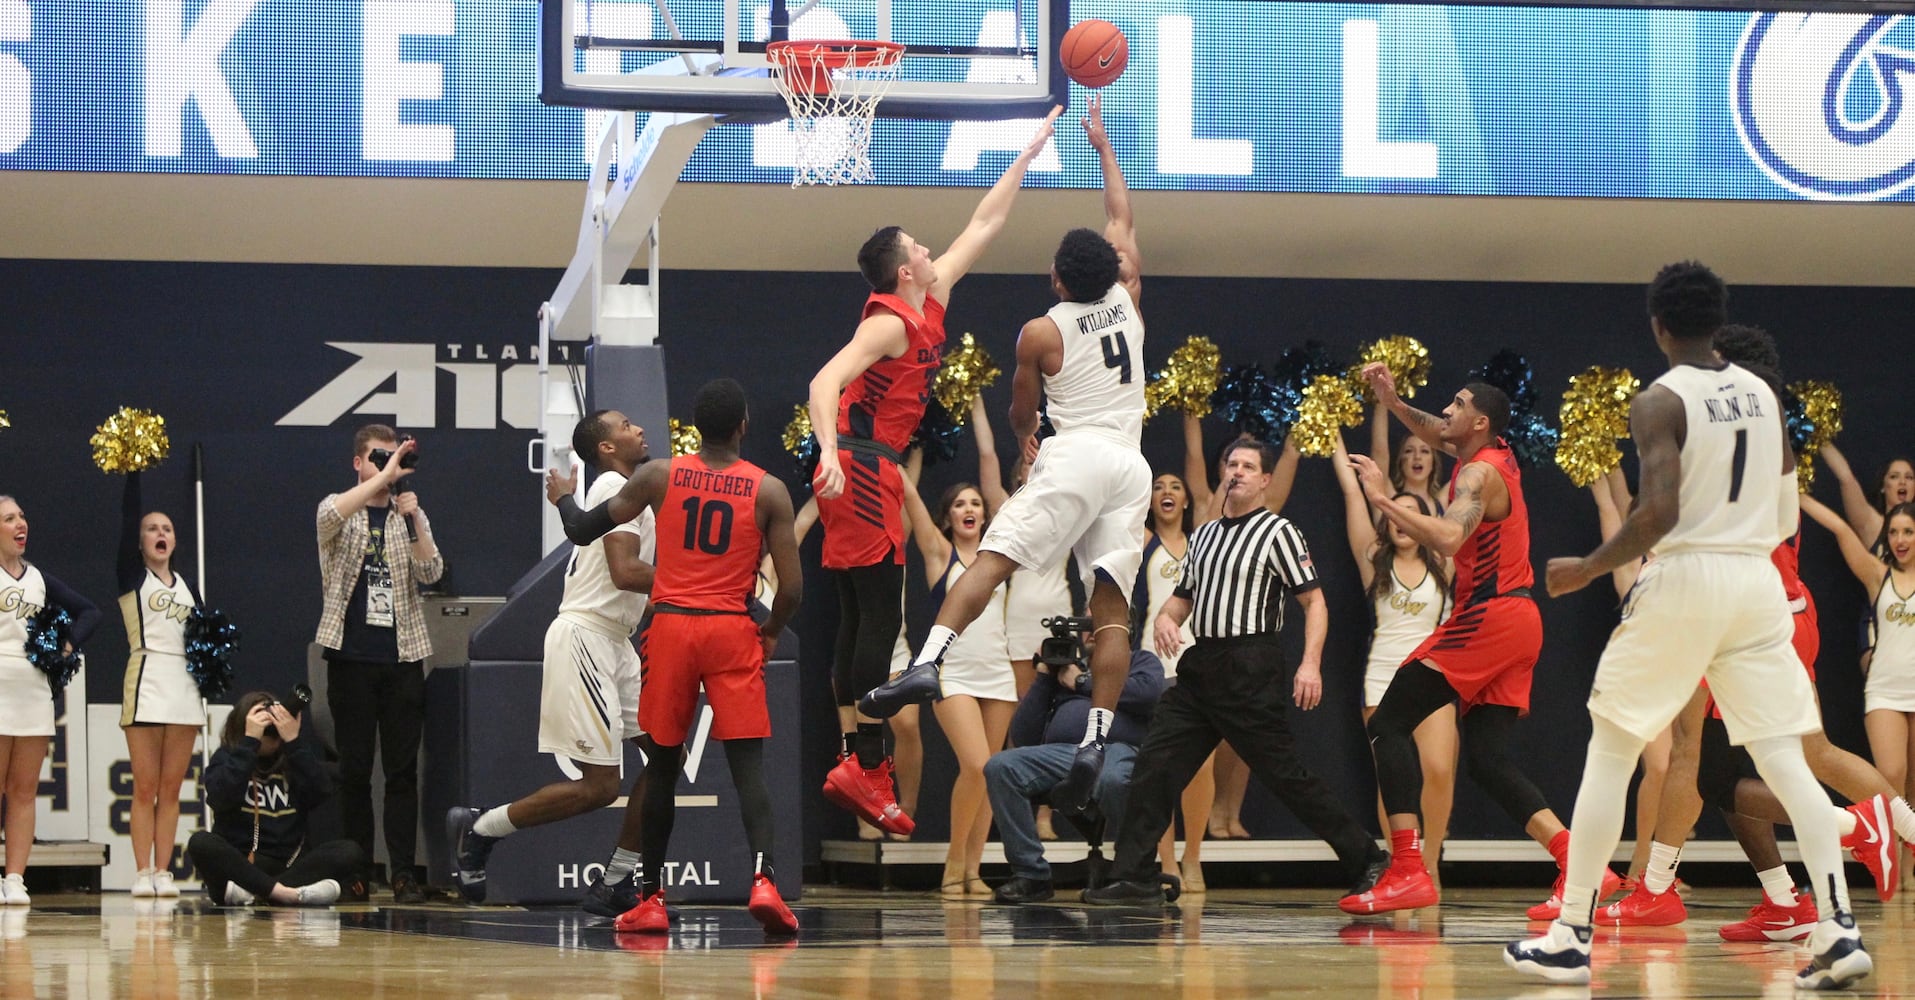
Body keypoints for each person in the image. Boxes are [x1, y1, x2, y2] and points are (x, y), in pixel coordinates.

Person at [1506, 262, 1870, 991]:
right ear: (1717, 318)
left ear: (1658, 325)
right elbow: (1784, 515)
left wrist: (1585, 567)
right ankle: (1836, 930)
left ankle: (1570, 933)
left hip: (1684, 576)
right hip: (1755, 579)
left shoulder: (1658, 400)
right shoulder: (1765, 398)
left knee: (1611, 748)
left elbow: (1657, 514)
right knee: (1783, 758)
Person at [864, 98, 1149, 819]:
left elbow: (1024, 411)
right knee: (1112, 614)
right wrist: (1103, 148)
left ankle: (925, 664)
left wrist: (1028, 440)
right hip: (1130, 465)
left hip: (1077, 454)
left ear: (1057, 279)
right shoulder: (1129, 295)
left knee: (992, 560)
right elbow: (1122, 220)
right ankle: (1094, 737)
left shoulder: (1040, 331)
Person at [1597, 324, 1913, 937]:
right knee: (1725, 768)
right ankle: (1786, 894)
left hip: (1744, 609)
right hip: (1773, 606)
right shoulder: (1761, 433)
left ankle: (1663, 887)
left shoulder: (1737, 435)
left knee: (1715, 753)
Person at [808, 108, 1061, 837]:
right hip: (856, 464)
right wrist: (827, 451)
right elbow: (825, 383)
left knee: (863, 614)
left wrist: (1028, 149)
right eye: (918, 246)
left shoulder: (929, 299)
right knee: (879, 615)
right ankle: (864, 763)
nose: (929, 248)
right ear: (902, 270)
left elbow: (983, 224)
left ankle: (862, 762)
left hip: (872, 467)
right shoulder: (887, 320)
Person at [1340, 368, 1609, 918]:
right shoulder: (1489, 452)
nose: (1446, 411)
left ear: (1479, 421)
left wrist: (1383, 500)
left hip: (1490, 616)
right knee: (1487, 760)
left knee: (1387, 722)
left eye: (1456, 404)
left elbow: (1446, 535)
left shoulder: (1478, 476)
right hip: (1521, 619)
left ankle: (1409, 869)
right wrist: (1391, 401)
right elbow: (1435, 428)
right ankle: (1583, 869)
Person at [1084, 439, 1388, 903]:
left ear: (1266, 480)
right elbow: (1183, 596)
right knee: (1155, 764)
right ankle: (1135, 872)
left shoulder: (1278, 532)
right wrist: (1167, 617)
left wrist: (1310, 664)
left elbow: (1315, 601)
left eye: (1248, 466)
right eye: (1231, 464)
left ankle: (1368, 858)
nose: (1237, 472)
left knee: (1284, 774)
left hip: (1250, 664)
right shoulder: (1203, 534)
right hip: (1201, 665)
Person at [551, 378, 804, 935]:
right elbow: (791, 589)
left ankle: (649, 900)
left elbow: (580, 529)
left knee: (662, 765)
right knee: (747, 767)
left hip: (670, 629)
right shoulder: (769, 491)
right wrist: (774, 630)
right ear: (742, 426)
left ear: (695, 426)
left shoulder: (658, 474)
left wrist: (563, 495)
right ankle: (764, 881)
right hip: (731, 630)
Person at [448, 410, 658, 914]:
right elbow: (627, 572)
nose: (639, 429)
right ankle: (481, 828)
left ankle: (616, 881)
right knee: (600, 786)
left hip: (616, 640)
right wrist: (701, 581)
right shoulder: (611, 481)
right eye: (627, 425)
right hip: (586, 635)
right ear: (606, 448)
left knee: (666, 758)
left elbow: (627, 577)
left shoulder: (628, 490)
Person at [314, 425, 443, 904]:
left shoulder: (404, 514)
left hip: (403, 658)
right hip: (350, 658)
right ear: (358, 461)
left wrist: (419, 525)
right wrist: (383, 477)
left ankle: (404, 872)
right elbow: (328, 514)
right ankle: (357, 872)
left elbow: (432, 572)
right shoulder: (341, 511)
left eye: (394, 460)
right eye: (378, 458)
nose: (389, 468)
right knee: (353, 771)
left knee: (402, 772)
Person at [1327, 435, 1455, 879]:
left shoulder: (1445, 559)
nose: (1402, 522)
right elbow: (1351, 492)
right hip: (1382, 679)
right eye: (1394, 513)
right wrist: (1333, 434)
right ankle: (1405, 866)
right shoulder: (1373, 557)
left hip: (1434, 677)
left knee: (1439, 769)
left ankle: (1432, 860)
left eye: (1413, 513)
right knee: (1395, 779)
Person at [897, 445, 1014, 898]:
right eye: (960, 504)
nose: (970, 508)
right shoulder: (938, 553)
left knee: (994, 774)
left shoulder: (1001, 559)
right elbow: (912, 504)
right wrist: (891, 459)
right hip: (953, 673)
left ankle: (972, 867)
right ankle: (952, 860)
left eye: (976, 503)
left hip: (999, 674)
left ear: (985, 516)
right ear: (948, 518)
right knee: (977, 765)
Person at [985, 630, 1164, 904]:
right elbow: (1023, 735)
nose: (1090, 631)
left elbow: (1147, 696)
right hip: (1063, 753)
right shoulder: (1065, 667)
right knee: (1001, 766)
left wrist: (1082, 682)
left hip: (1114, 748)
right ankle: (1031, 875)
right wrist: (1045, 677)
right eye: (1085, 624)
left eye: (1097, 622)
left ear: (1124, 628)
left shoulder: (1140, 660)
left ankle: (1135, 874)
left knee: (1114, 780)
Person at [0, 494, 102, 907]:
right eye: (9, 518)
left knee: (24, 791)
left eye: (22, 516)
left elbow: (90, 612)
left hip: (34, 689)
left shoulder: (39, 579)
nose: (20, 524)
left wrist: (65, 646)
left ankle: (14, 879)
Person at [115, 472, 207, 899]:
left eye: (167, 528)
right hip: (148, 678)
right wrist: (134, 471)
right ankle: (141, 871)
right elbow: (127, 515)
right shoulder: (133, 577)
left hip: (184, 685)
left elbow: (209, 638)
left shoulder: (189, 587)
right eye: (151, 528)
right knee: (145, 786)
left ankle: (164, 870)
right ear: (139, 542)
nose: (160, 533)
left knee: (172, 789)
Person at [189, 691, 369, 907]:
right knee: (200, 842)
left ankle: (266, 894)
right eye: (267, 729)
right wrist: (249, 743)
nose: (273, 735)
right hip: (239, 870)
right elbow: (220, 798)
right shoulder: (228, 757)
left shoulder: (293, 758)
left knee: (350, 851)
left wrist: (293, 741)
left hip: (289, 866)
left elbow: (322, 790)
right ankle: (285, 894)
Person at [1581, 468, 1673, 888]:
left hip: (1679, 676)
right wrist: (1597, 455)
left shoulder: (1684, 565)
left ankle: (1651, 862)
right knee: (1640, 768)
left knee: (1668, 770)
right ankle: (1623, 864)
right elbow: (1608, 505)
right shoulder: (1629, 562)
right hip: (1636, 677)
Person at [1134, 470, 1214, 892]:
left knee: (1202, 766)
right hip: (1154, 664)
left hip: (1199, 664)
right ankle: (1165, 860)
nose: (1166, 492)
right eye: (1158, 487)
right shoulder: (1144, 542)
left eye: (1175, 487)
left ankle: (1194, 856)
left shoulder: (1204, 542)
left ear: (1187, 501)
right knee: (1160, 767)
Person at [1818, 443, 1914, 560]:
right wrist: (1818, 433)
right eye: (1894, 477)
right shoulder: (1873, 525)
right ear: (1883, 486)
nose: (1902, 482)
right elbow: (1846, 478)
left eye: (1909, 477)